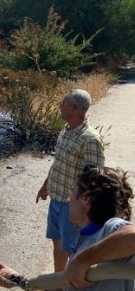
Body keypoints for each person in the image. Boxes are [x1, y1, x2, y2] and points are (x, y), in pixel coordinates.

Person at [0, 165, 135, 291]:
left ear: (86, 198)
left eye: (72, 192)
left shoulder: (108, 230)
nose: (69, 199)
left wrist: (82, 261)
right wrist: (19, 281)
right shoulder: (83, 242)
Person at [36, 89, 105, 272]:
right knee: (58, 245)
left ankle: (72, 289)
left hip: (72, 205)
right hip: (56, 199)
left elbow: (95, 177)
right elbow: (58, 163)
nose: (60, 106)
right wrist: (45, 186)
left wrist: (82, 207)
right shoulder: (66, 131)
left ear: (74, 109)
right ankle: (58, 285)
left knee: (73, 249)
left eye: (63, 103)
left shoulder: (89, 139)